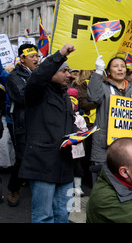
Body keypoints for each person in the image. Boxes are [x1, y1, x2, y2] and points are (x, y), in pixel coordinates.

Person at [19, 44, 77, 223]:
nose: (69, 75)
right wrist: (59, 55)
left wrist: (78, 134)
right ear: (51, 72)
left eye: (69, 71)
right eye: (64, 71)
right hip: (42, 163)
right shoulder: (36, 91)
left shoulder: (65, 96)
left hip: (64, 165)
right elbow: (38, 76)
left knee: (63, 214)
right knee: (44, 216)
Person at [87, 55, 132, 183]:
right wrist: (97, 72)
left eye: (123, 66)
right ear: (108, 71)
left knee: (125, 184)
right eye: (115, 66)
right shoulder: (103, 87)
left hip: (127, 147)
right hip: (104, 147)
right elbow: (93, 97)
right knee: (102, 185)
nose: (120, 69)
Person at [5, 43, 39, 207]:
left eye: (37, 56)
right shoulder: (14, 77)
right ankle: (13, 188)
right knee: (22, 157)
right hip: (22, 123)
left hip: (38, 122)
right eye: (32, 56)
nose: (36, 59)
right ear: (22, 58)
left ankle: (33, 185)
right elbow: (23, 97)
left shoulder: (38, 74)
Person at [67, 87, 88, 197]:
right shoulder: (64, 117)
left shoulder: (79, 118)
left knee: (77, 168)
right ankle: (68, 187)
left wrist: (80, 132)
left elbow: (84, 130)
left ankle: (78, 187)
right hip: (67, 148)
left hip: (77, 149)